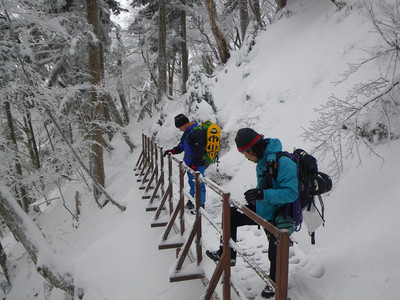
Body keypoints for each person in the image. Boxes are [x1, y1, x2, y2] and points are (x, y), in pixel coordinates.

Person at [205, 128, 298, 299]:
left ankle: (275, 283)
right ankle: (228, 254)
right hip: (265, 208)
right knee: (231, 214)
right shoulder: (263, 160)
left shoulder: (283, 162)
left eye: (245, 154)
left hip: (280, 213)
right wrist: (258, 195)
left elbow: (292, 193)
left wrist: (262, 195)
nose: (246, 158)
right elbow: (268, 184)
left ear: (252, 149)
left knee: (275, 249)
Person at [163, 114, 206, 209]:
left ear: (184, 124)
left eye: (180, 127)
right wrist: (172, 151)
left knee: (199, 186)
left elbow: (199, 152)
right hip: (190, 164)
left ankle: (201, 205)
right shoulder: (187, 133)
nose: (180, 129)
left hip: (197, 165)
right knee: (192, 184)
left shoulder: (196, 132)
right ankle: (191, 201)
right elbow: (181, 146)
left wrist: (195, 165)